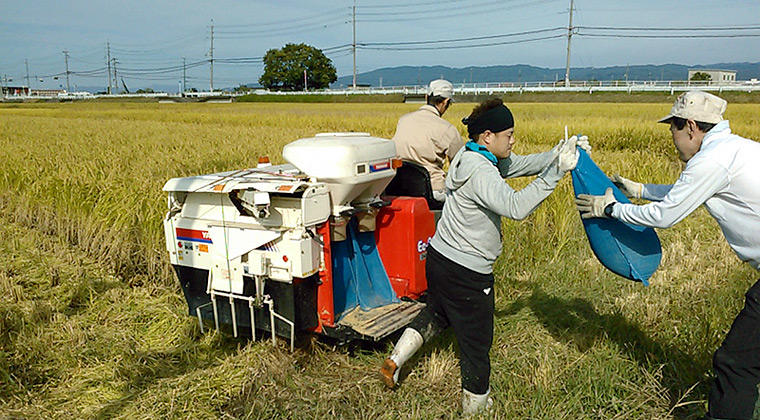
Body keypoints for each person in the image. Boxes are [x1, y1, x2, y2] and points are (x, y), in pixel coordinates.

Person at [380, 98, 590, 415]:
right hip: (467, 272)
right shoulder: (482, 173)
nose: (513, 140)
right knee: (476, 345)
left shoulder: (469, 154)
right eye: (509, 134)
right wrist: (555, 173)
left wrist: (557, 153)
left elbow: (517, 165)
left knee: (438, 312)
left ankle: (394, 361)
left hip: (439, 258)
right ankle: (475, 408)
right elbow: (516, 207)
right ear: (489, 136)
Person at [575, 91, 760, 420]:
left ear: (690, 126)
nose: (672, 139)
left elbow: (666, 216)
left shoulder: (712, 160)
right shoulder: (735, 148)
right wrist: (641, 190)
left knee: (735, 362)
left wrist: (613, 209)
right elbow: (688, 190)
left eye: (672, 129)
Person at [391, 79, 463, 203]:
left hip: (398, 186)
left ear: (426, 97)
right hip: (432, 192)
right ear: (446, 102)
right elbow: (461, 164)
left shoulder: (403, 120)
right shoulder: (447, 129)